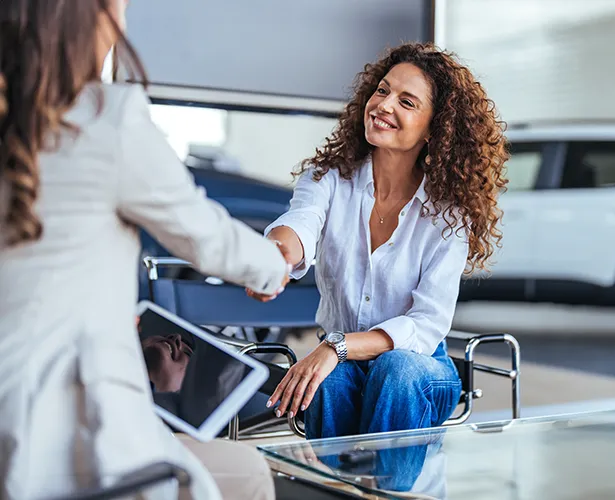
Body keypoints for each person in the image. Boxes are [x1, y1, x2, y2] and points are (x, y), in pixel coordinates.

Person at [0, 1, 289, 498]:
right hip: (60, 434)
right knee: (245, 472)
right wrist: (273, 268)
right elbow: (207, 236)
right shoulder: (104, 121)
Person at [248, 43, 509, 439]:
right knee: (330, 383)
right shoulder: (329, 178)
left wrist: (336, 347)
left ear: (434, 128)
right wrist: (277, 257)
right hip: (342, 361)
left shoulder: (448, 213)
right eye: (383, 91)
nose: (384, 105)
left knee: (396, 370)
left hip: (421, 367)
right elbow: (301, 222)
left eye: (407, 101)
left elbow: (425, 325)